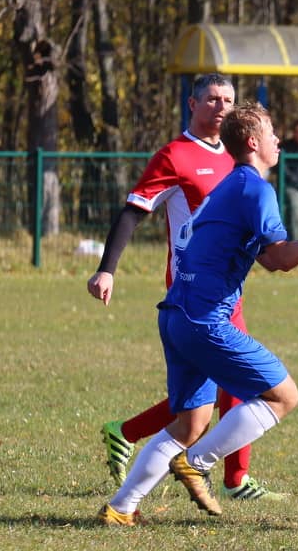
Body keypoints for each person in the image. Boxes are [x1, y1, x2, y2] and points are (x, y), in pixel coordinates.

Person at [97, 102, 298, 525]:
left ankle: (120, 509)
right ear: (254, 142)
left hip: (176, 313)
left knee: (190, 423)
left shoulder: (231, 185)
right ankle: (196, 463)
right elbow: (281, 260)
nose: (279, 140)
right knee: (284, 396)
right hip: (204, 319)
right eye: (272, 133)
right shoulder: (256, 189)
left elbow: (269, 255)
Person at [87, 74, 280, 501]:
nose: (221, 106)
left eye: (228, 99)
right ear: (192, 104)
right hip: (193, 293)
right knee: (236, 386)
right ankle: (234, 479)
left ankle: (128, 435)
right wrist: (107, 269)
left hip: (227, 288)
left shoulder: (238, 157)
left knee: (204, 398)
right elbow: (134, 211)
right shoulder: (174, 156)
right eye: (212, 99)